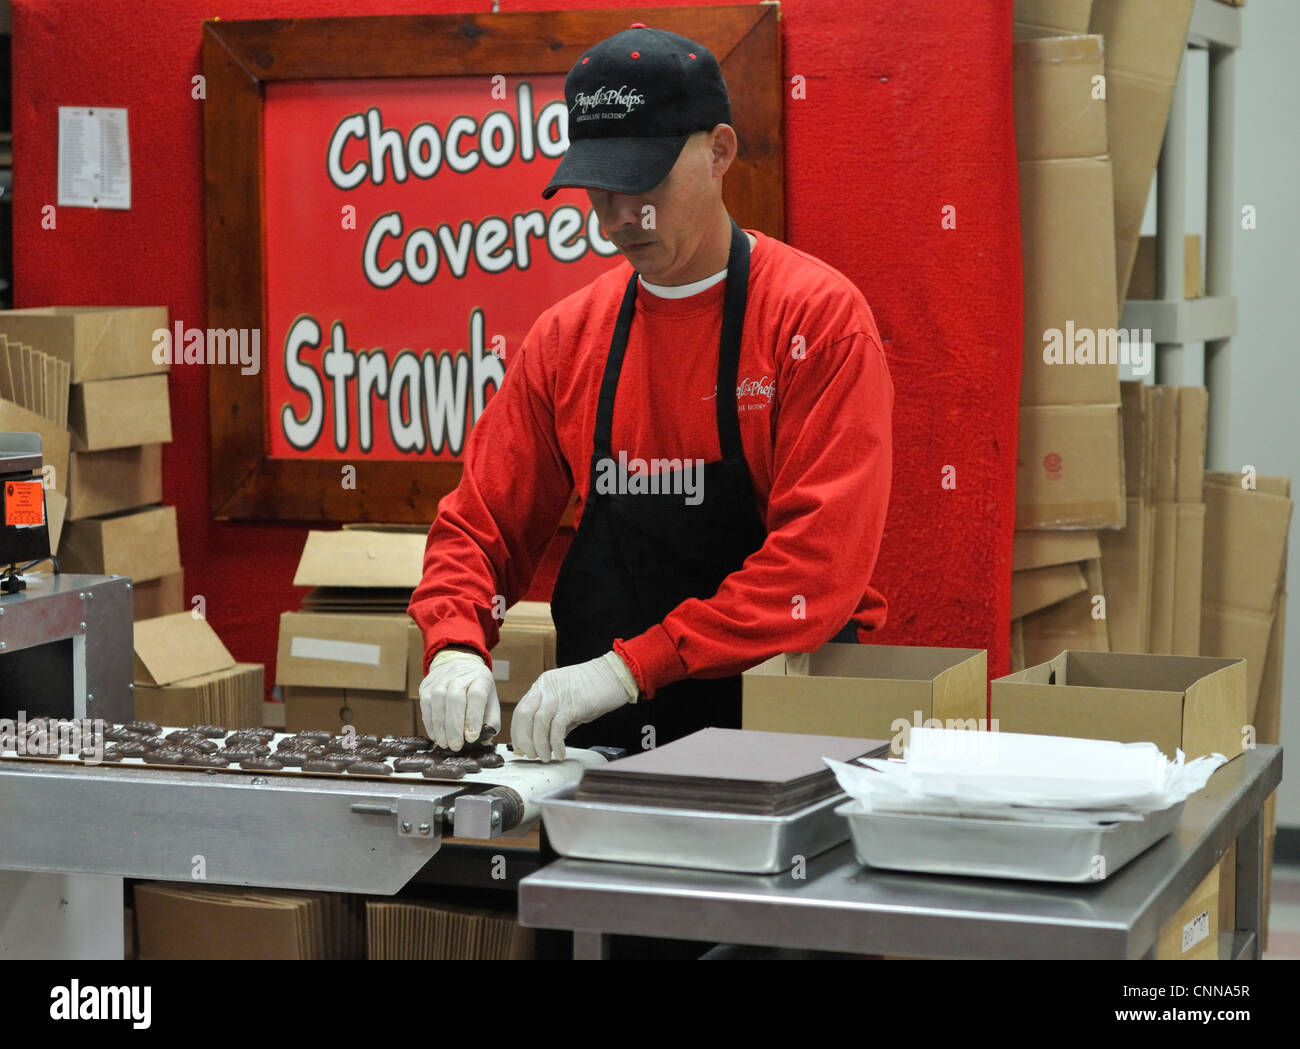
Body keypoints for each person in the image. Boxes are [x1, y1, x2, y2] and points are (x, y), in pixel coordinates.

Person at [408, 24, 893, 762]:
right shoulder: (568, 338)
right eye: (601, 191)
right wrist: (453, 642)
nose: (618, 219)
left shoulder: (815, 322)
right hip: (599, 755)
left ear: (720, 152)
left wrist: (629, 667)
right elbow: (481, 527)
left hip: (776, 736)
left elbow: (816, 567)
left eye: (645, 184)